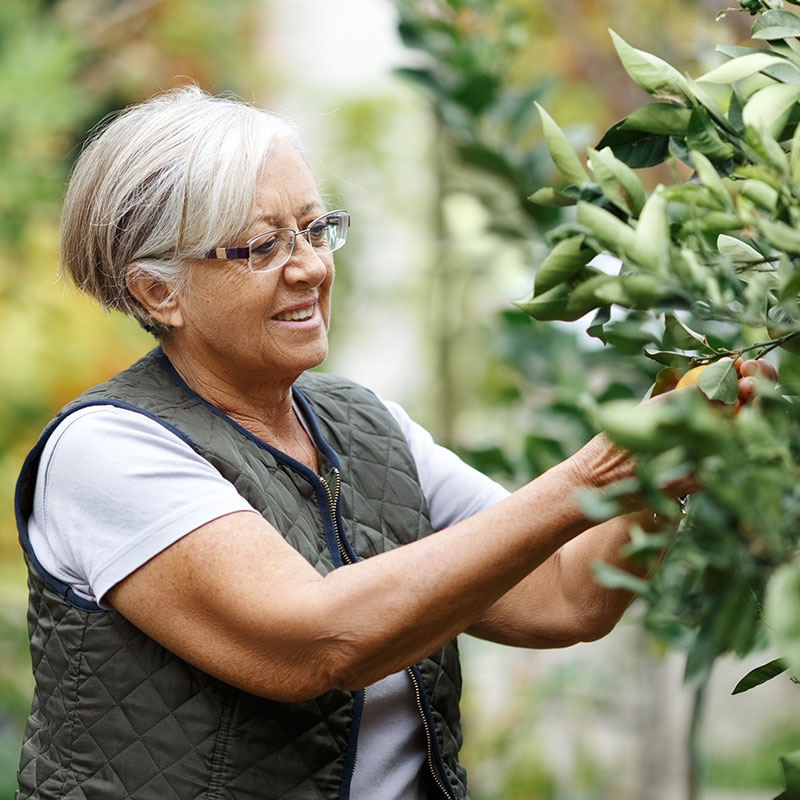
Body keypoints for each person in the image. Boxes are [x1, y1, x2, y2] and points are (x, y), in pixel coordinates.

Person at [13, 87, 771, 800]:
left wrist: (661, 464)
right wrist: (596, 469)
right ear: (158, 292)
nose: (309, 266)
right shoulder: (107, 449)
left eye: (314, 229)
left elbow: (568, 595)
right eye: (260, 246)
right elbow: (314, 644)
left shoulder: (364, 425)